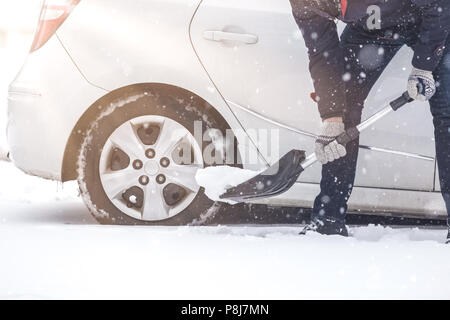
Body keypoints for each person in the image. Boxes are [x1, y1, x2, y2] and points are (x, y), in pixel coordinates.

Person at [289, 0, 450, 240]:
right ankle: (328, 221)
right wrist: (331, 116)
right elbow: (322, 53)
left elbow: (440, 5)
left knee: (447, 110)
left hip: (427, 21)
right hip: (368, 29)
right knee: (342, 112)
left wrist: (423, 66)